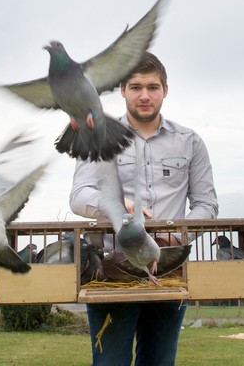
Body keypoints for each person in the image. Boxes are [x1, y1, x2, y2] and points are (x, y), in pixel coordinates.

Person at [70, 52, 218, 366]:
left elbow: (206, 204)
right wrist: (114, 206)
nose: (145, 95)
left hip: (168, 271)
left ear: (165, 89)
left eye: (153, 87)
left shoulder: (190, 142)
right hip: (111, 271)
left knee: (160, 362)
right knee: (110, 362)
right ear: (122, 89)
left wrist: (178, 236)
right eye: (136, 87)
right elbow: (79, 196)